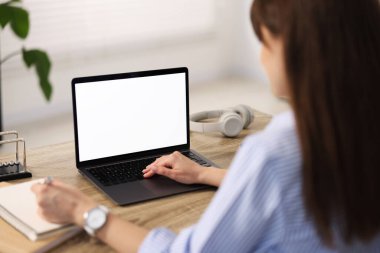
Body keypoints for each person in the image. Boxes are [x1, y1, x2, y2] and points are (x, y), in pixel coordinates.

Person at [31, 0, 380, 252]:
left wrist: (84, 211)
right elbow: (294, 185)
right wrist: (203, 174)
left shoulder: (274, 153)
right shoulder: (352, 133)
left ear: (299, 53)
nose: (261, 57)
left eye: (266, 43)